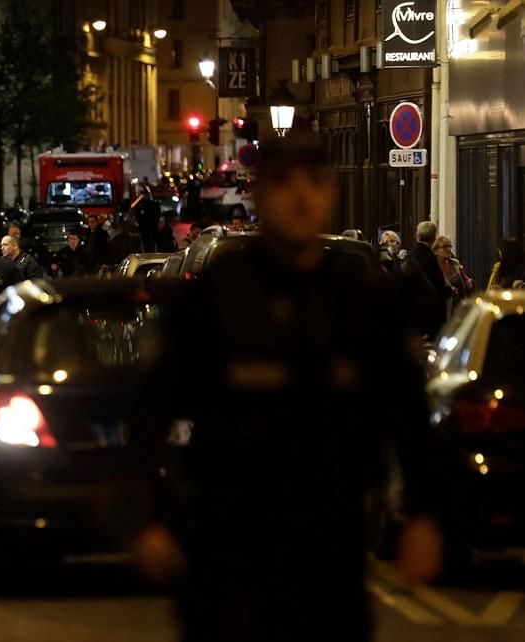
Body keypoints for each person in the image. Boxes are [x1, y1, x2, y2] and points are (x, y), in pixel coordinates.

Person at [132, 133, 443, 642]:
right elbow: (153, 404)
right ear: (260, 195)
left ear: (331, 194)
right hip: (230, 542)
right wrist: (144, 516)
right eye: (285, 184)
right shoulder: (220, 291)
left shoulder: (360, 296)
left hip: (330, 541)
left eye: (314, 183)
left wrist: (425, 515)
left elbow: (407, 410)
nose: (301, 198)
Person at [403, 221, 453, 338]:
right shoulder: (430, 258)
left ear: (417, 236)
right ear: (433, 238)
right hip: (431, 315)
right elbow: (438, 286)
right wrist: (450, 291)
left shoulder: (410, 255)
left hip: (413, 315)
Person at [433, 236, 473, 311]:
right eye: (444, 247)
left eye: (450, 246)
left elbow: (464, 279)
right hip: (442, 308)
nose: (449, 249)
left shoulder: (455, 263)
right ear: (435, 251)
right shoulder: (432, 267)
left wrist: (468, 282)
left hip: (459, 307)